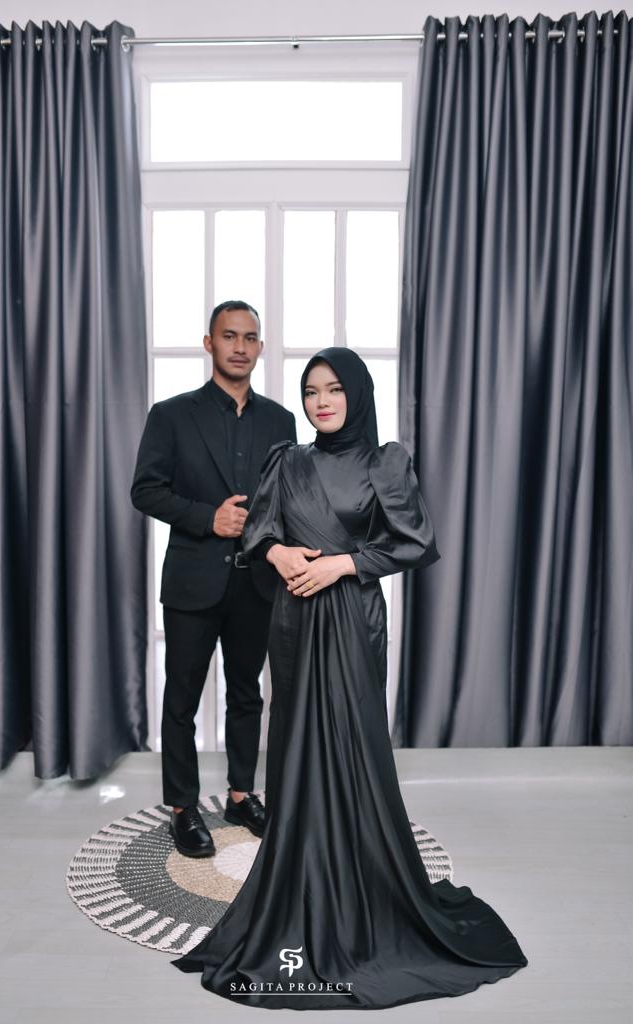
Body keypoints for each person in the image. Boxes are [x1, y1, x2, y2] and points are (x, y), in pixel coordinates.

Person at [172, 347, 528, 1009]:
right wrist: (277, 552)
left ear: (357, 393)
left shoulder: (384, 461)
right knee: (294, 745)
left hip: (352, 618)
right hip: (292, 621)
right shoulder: (287, 461)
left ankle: (363, 882)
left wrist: (341, 565)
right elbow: (256, 534)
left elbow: (415, 541)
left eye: (333, 389)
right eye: (311, 392)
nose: (321, 402)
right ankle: (300, 870)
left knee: (352, 744)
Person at [130, 300, 296, 858]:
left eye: (250, 338)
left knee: (248, 694)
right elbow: (145, 490)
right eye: (229, 336)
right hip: (193, 580)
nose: (240, 347)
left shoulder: (281, 421)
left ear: (260, 348)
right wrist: (209, 518)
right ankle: (182, 808)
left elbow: (285, 497)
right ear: (210, 343)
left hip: (257, 583)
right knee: (181, 698)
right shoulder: (171, 415)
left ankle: (242, 795)